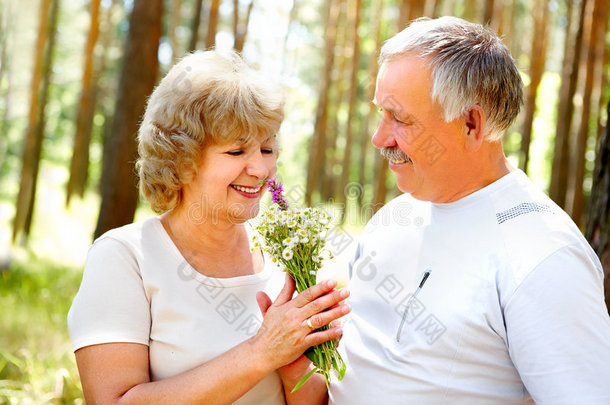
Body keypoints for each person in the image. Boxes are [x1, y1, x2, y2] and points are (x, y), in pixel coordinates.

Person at [328, 17, 610, 404]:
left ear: (471, 124)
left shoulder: (544, 257)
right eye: (381, 113)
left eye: (401, 119)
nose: (379, 137)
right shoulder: (390, 219)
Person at [67, 50, 350, 404]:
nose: (261, 170)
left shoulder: (287, 255)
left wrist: (297, 363)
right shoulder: (125, 258)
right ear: (181, 158)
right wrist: (262, 351)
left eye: (267, 148)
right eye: (236, 152)